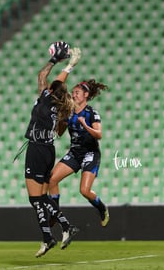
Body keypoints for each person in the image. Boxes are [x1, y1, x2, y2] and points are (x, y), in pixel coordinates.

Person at [23, 42, 81, 257]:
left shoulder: (47, 98)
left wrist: (58, 60)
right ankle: (48, 237)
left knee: (35, 198)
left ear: (51, 90)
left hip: (37, 150)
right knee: (40, 197)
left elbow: (41, 76)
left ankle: (64, 227)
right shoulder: (62, 108)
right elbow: (60, 133)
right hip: (49, 150)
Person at [49, 79, 110, 227]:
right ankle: (55, 214)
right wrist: (61, 122)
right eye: (73, 92)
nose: (74, 95)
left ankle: (102, 208)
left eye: (77, 92)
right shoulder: (68, 112)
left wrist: (84, 124)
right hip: (75, 153)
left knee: (84, 190)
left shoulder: (91, 113)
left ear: (86, 95)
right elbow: (60, 133)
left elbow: (99, 134)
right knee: (52, 179)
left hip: (90, 153)